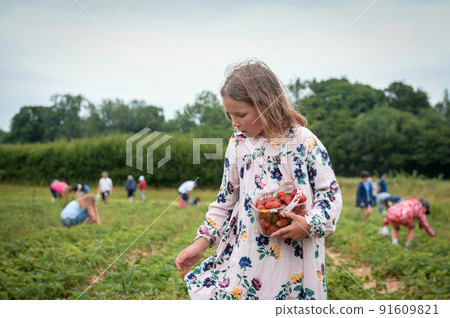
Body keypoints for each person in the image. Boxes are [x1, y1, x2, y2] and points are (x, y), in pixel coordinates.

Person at [175, 60, 342, 300]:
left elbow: (331, 195)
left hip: (295, 254)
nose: (234, 122)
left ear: (265, 105)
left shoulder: (304, 142)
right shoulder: (238, 144)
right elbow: (226, 199)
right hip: (249, 254)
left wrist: (309, 223)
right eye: (229, 115)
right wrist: (203, 241)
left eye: (240, 114)